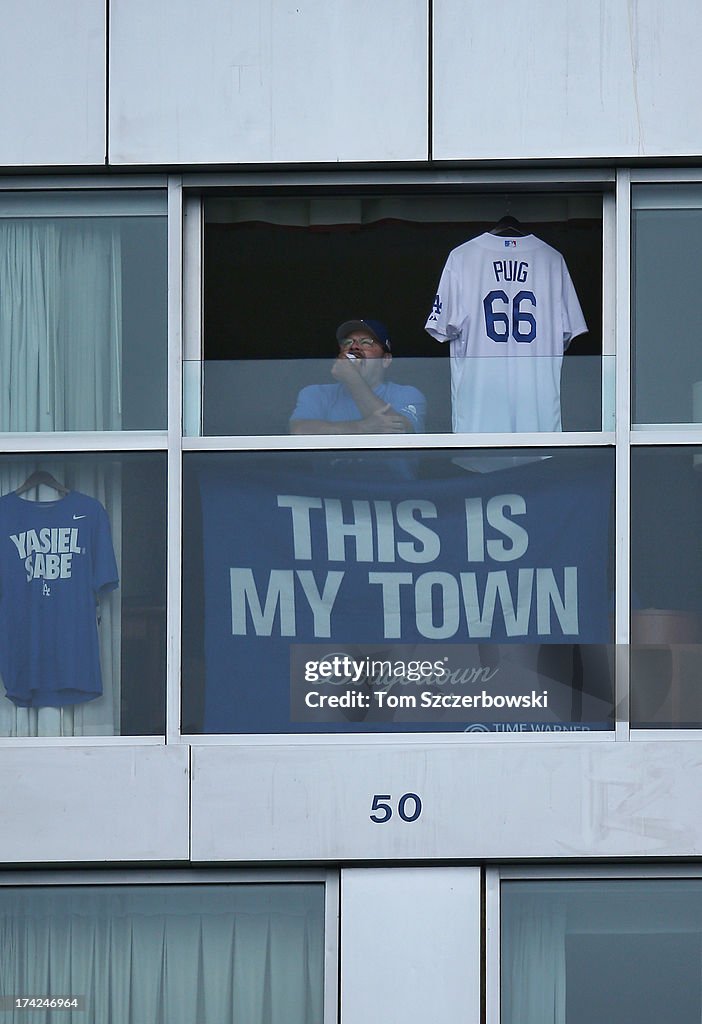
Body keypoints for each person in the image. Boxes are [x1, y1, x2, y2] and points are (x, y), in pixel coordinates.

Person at [289, 319, 426, 434]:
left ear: (385, 360)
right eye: (347, 343)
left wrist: (352, 378)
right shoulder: (317, 393)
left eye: (366, 342)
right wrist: (362, 427)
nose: (354, 347)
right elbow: (299, 430)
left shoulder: (406, 394)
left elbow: (400, 431)